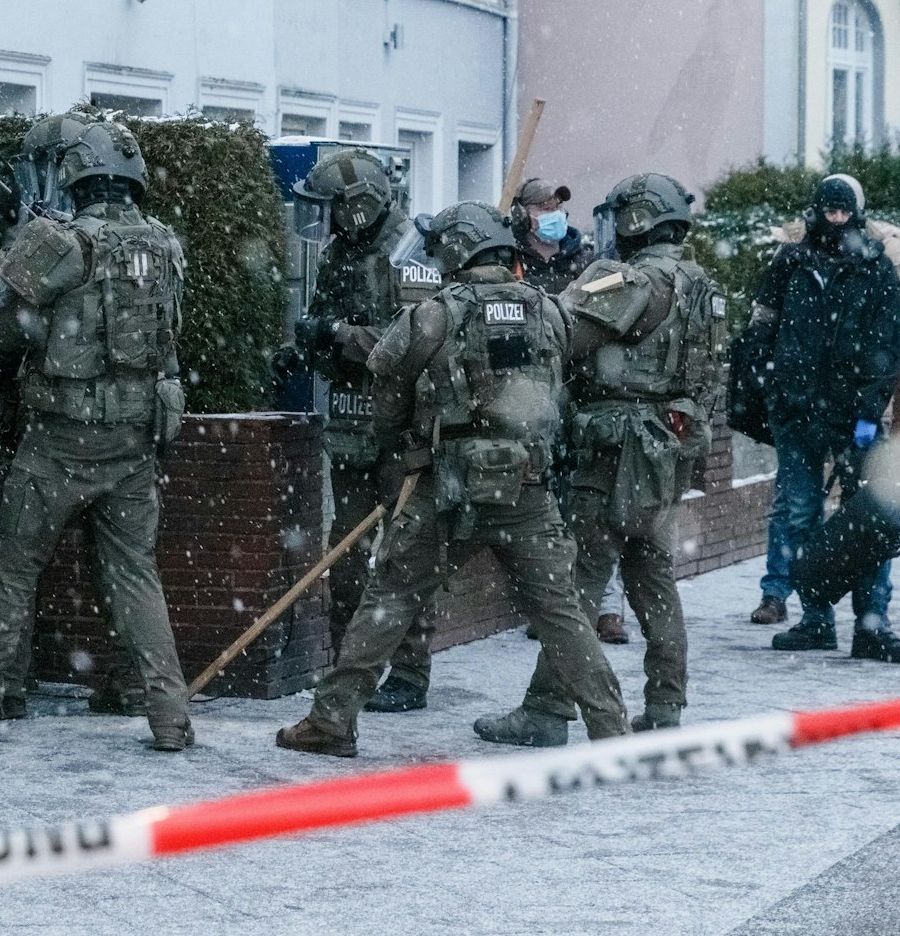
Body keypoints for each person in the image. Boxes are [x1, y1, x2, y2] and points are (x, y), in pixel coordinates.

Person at [275, 201, 630, 757]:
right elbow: (569, 375)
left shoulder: (434, 314)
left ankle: (331, 720)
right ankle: (612, 728)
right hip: (528, 487)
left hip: (446, 487)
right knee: (561, 612)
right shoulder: (550, 309)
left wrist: (404, 444)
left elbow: (387, 389)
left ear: (456, 250)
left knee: (389, 597)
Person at [0, 121, 196, 751]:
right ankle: (170, 715)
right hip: (133, 439)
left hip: (60, 438)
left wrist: (17, 249)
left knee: (12, 569)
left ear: (74, 171)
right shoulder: (163, 243)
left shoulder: (63, 240)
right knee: (136, 576)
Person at [526, 174, 725, 731]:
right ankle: (665, 705)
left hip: (613, 448)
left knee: (579, 582)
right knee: (654, 580)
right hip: (664, 450)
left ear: (638, 220)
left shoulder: (629, 278)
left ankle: (547, 708)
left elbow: (563, 333)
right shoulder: (701, 282)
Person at [292, 148, 443, 714]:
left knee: (405, 555)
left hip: (402, 432)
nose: (325, 221)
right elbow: (334, 326)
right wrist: (306, 345)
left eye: (333, 209)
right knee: (345, 554)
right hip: (353, 427)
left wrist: (338, 334)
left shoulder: (413, 255)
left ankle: (409, 673)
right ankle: (346, 666)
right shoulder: (341, 253)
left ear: (357, 207)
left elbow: (408, 345)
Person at [747, 176, 900, 661]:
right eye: (828, 210)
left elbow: (890, 345)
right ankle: (814, 618)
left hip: (853, 417)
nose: (835, 220)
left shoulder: (875, 268)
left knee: (871, 517)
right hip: (797, 413)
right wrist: (770, 390)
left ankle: (872, 623)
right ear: (815, 210)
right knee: (799, 513)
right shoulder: (791, 263)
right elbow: (762, 329)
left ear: (856, 213)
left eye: (844, 211)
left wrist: (868, 409)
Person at [508, 176, 626, 644]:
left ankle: (606, 608)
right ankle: (550, 608)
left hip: (581, 395)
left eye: (558, 205)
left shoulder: (588, 261)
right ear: (522, 214)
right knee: (542, 509)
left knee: (592, 507)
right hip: (529, 398)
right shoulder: (508, 261)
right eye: (542, 206)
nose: (553, 213)